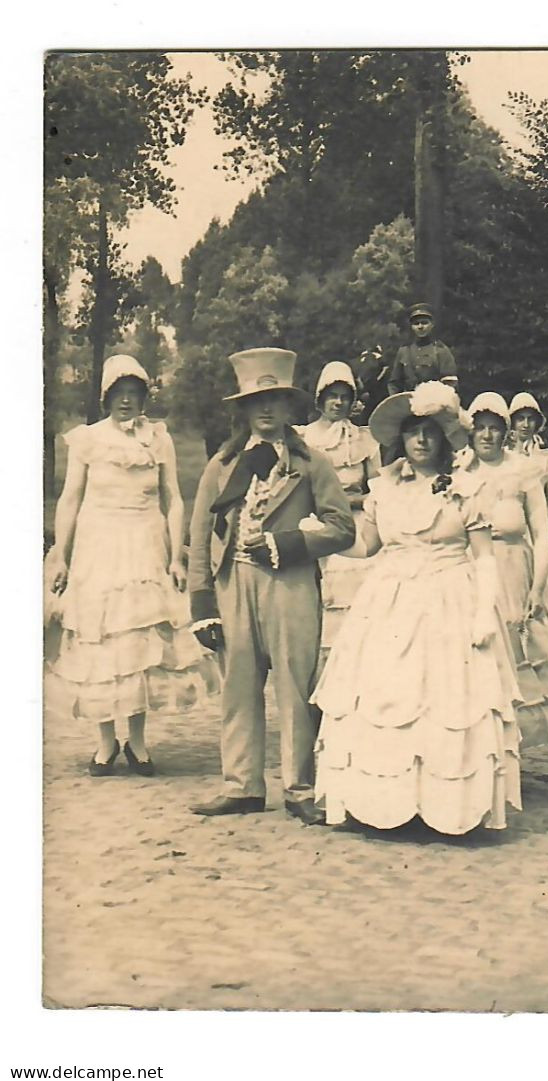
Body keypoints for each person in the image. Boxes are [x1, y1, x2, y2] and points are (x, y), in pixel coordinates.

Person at [309, 383, 525, 832]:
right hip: (390, 599)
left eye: (429, 432)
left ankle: (441, 807)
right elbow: (367, 545)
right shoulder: (384, 488)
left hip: (450, 598)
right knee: (388, 698)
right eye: (412, 433)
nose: (421, 441)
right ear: (401, 440)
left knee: (446, 702)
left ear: (444, 438)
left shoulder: (466, 488)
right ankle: (382, 802)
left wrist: (486, 612)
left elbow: (484, 556)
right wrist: (316, 536)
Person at [185, 348, 356, 822]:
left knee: (295, 687)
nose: (266, 410)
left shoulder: (311, 462)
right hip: (232, 583)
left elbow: (343, 527)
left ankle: (300, 789)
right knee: (238, 687)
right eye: (256, 400)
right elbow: (200, 535)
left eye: (276, 400)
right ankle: (242, 785)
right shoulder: (221, 465)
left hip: (291, 583)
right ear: (242, 408)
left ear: (289, 407)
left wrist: (288, 543)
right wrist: (201, 603)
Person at [46, 355, 219, 777]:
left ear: (144, 396)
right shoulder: (88, 439)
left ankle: (137, 743)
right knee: (101, 638)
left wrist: (176, 551)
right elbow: (70, 498)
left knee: (141, 640)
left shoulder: (159, 438)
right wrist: (59, 553)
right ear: (107, 397)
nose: (127, 401)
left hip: (145, 541)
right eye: (119, 393)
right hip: (98, 543)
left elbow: (174, 497)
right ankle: (106, 743)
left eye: (135, 393)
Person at [461, 392, 548, 747]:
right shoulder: (458, 469)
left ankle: (509, 744)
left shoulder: (523, 471)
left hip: (513, 571)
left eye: (495, 429)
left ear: (505, 433)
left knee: (515, 656)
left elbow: (541, 531)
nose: (487, 436)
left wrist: (537, 588)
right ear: (470, 432)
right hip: (468, 572)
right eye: (480, 428)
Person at [295, 361, 381, 668]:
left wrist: (354, 500)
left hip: (356, 526)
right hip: (316, 524)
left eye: (345, 396)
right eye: (332, 395)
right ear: (320, 399)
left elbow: (378, 489)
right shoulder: (304, 439)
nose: (338, 402)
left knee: (360, 605)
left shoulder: (364, 439)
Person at [506, 392, 548, 538]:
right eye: (520, 419)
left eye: (530, 419)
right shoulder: (503, 456)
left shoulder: (546, 459)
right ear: (512, 422)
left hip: (539, 527)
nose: (525, 425)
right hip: (511, 525)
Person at [387, 302, 458, 395]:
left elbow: (450, 383)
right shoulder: (404, 351)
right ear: (412, 327)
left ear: (432, 324)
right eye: (416, 323)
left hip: (435, 402)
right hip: (409, 404)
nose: (420, 327)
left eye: (424, 323)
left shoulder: (441, 350)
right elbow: (394, 383)